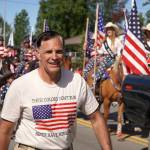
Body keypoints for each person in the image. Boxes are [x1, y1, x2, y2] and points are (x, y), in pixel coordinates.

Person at [0, 31, 112, 150]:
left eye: (58, 51)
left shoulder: (77, 82)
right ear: (38, 54)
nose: (54, 57)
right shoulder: (20, 85)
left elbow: (96, 118)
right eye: (48, 52)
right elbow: (5, 130)